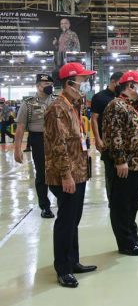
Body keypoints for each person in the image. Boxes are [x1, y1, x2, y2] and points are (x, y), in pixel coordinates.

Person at [44, 62, 97, 288]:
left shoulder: (73, 106)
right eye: (82, 81)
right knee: (66, 221)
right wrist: (66, 175)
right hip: (66, 175)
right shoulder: (57, 108)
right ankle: (63, 268)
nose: (85, 85)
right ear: (70, 83)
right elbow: (58, 145)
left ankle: (73, 261)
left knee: (74, 220)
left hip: (78, 171)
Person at [102, 70, 138, 256]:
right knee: (122, 205)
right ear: (131, 86)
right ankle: (125, 243)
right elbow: (113, 134)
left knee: (132, 203)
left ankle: (133, 238)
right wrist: (120, 160)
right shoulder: (116, 106)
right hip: (127, 165)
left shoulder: (133, 107)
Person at [13, 74, 58, 218]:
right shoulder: (28, 103)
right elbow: (20, 128)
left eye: (50, 83)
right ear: (38, 85)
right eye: (46, 84)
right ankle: (45, 206)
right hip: (38, 139)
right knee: (42, 173)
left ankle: (62, 200)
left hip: (56, 139)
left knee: (59, 170)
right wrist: (17, 149)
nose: (49, 86)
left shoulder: (57, 101)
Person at [90, 71, 123, 205]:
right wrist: (97, 139)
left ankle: (124, 197)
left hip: (123, 141)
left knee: (125, 171)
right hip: (107, 141)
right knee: (111, 172)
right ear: (114, 81)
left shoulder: (123, 96)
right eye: (121, 83)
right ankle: (112, 199)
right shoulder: (99, 97)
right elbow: (94, 119)